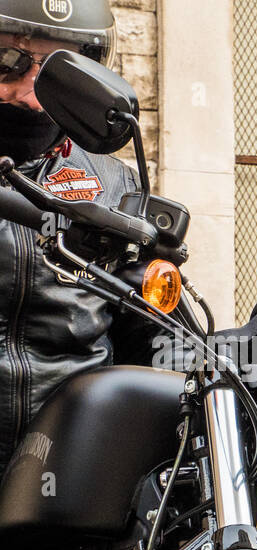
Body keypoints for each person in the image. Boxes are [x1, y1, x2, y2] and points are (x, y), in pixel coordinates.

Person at [0, 0, 157, 471]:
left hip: (75, 469)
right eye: (8, 62)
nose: (31, 95)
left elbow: (144, 336)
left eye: (56, 73)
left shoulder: (115, 184)